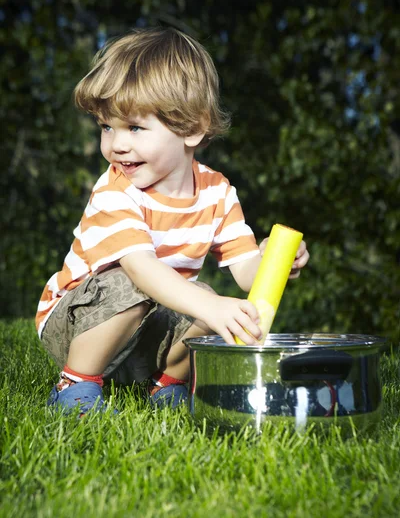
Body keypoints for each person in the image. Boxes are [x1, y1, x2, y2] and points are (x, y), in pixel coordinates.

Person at [35, 26, 310, 415]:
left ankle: (167, 385)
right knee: (138, 286)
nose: (116, 144)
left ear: (192, 128)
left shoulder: (216, 192)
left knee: (216, 303)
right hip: (78, 323)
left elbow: (246, 274)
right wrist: (208, 307)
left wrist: (274, 262)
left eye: (134, 127)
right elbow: (142, 271)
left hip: (148, 326)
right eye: (106, 126)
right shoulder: (115, 191)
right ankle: (75, 384)